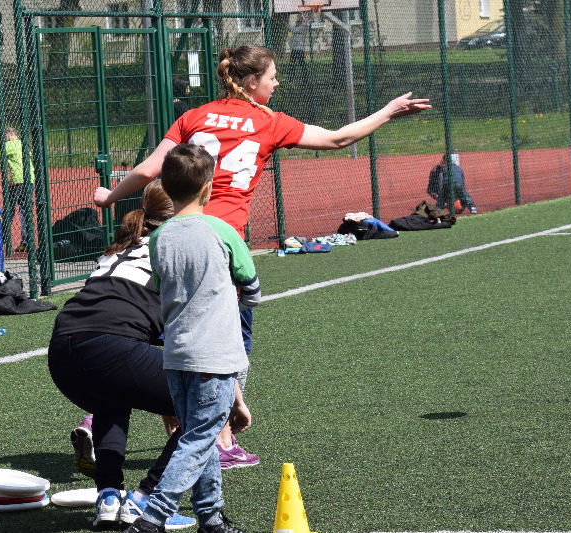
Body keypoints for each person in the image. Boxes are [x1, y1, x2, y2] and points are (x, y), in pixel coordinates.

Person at [93, 45, 429, 467]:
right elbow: (339, 138)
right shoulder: (270, 122)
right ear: (252, 82)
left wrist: (109, 198)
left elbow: (147, 171)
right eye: (272, 76)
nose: (276, 83)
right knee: (229, 346)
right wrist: (388, 111)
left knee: (168, 334)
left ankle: (108, 417)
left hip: (173, 235)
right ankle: (219, 442)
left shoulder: (193, 116)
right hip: (220, 243)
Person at [48, 180, 202, 530]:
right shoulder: (178, 245)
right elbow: (186, 327)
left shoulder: (120, 244)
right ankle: (148, 500)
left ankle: (109, 497)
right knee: (205, 405)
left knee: (110, 401)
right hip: (111, 345)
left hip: (61, 349)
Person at [124, 144, 259, 533]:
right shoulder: (221, 229)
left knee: (196, 434)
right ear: (208, 188)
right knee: (199, 440)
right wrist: (235, 298)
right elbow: (252, 287)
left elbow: (166, 285)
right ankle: (151, 517)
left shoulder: (159, 237)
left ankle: (210, 516)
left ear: (165, 185)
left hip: (176, 355)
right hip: (213, 355)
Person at [287, 13, 309, 86]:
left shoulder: (304, 25)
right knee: (292, 64)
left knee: (302, 65)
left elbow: (294, 30)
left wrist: (286, 25)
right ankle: (290, 79)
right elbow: (292, 29)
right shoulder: (298, 25)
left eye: (301, 16)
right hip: (294, 49)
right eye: (299, 16)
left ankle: (305, 81)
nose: (299, 18)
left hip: (299, 49)